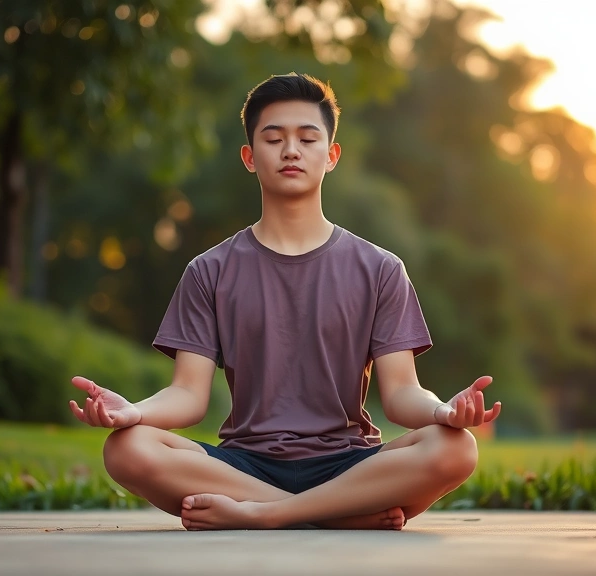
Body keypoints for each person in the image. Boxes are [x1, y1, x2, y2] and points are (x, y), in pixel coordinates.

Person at [68, 72, 501, 531]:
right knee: (125, 447)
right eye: (273, 139)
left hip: (348, 464)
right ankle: (338, 515)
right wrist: (134, 412)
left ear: (331, 155)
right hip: (243, 466)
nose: (291, 150)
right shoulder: (208, 271)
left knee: (456, 446)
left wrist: (442, 412)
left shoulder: (380, 268)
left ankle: (268, 515)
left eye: (307, 138)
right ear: (249, 157)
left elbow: (400, 394)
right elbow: (188, 395)